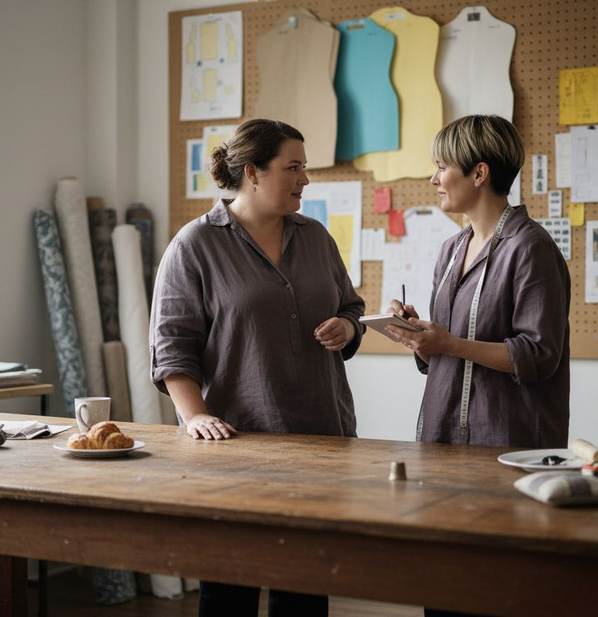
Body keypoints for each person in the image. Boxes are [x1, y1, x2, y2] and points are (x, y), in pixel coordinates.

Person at [149, 118, 364, 617]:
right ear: (252, 172)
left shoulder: (316, 238)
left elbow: (352, 307)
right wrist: (194, 414)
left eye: (304, 168)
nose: (304, 180)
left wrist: (347, 328)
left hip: (320, 438)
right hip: (234, 446)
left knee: (305, 590)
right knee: (229, 590)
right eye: (293, 168)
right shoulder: (194, 245)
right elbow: (172, 344)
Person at [385, 114, 570, 617]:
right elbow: (445, 352)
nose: (433, 179)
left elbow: (538, 354)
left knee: (499, 591)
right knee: (443, 589)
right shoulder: (450, 249)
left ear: (480, 173)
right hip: (442, 440)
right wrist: (423, 339)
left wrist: (448, 343)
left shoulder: (532, 248)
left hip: (505, 447)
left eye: (442, 166)